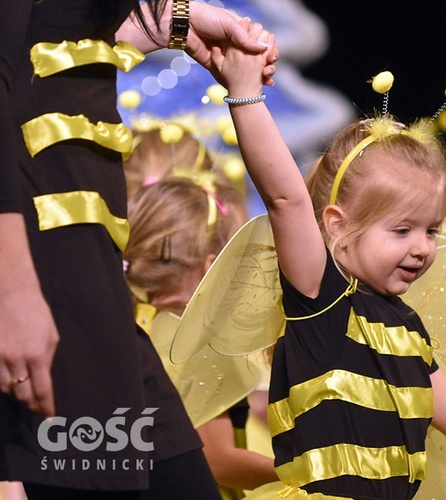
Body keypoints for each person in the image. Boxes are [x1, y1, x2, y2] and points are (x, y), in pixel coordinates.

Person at [210, 22, 446, 500]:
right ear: (338, 225)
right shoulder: (320, 302)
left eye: (430, 229)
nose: (423, 246)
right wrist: (245, 93)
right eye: (401, 230)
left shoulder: (407, 329)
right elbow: (285, 198)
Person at [0, 0, 277, 497]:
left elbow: (47, 39)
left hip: (85, 275)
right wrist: (12, 290)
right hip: (33, 264)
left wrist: (175, 22)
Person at [124, 173, 278, 498]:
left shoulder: (135, 328)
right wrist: (312, 476)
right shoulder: (196, 344)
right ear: (213, 267)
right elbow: (217, 460)